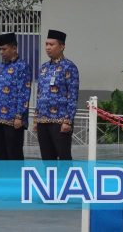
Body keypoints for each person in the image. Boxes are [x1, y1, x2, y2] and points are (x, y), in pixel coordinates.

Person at [0, 33, 32, 161]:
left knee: (14, 156)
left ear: (14, 48)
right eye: (0, 49)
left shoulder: (22, 67)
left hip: (13, 120)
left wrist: (19, 116)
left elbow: (24, 92)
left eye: (4, 49)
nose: (1, 52)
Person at [35, 29, 79, 160]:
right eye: (46, 44)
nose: (48, 47)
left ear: (62, 46)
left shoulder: (69, 67)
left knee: (64, 158)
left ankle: (66, 176)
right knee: (47, 159)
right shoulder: (43, 68)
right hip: (43, 120)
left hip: (60, 121)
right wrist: (36, 119)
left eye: (51, 44)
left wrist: (68, 121)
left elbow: (73, 95)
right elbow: (39, 94)